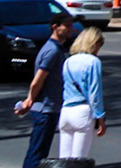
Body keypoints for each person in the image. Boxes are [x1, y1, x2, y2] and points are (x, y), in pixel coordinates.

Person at [13, 13, 76, 168]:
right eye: (66, 26)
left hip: (49, 108)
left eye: (70, 26)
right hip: (45, 110)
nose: (70, 29)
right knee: (37, 154)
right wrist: (29, 100)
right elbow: (38, 80)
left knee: (39, 153)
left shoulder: (56, 49)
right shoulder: (52, 51)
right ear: (55, 27)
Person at [56, 26, 108, 162]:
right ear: (94, 43)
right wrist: (100, 118)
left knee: (64, 160)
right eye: (99, 45)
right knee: (79, 160)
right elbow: (95, 93)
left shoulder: (68, 61)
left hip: (66, 111)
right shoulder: (93, 62)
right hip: (82, 112)